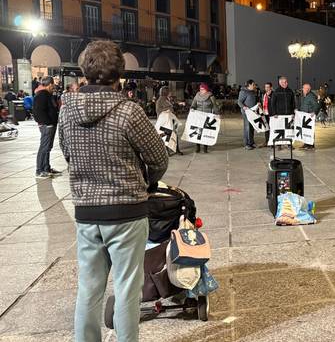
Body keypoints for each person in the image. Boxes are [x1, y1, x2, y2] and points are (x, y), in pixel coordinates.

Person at [58, 40, 168, 342]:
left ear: (85, 72)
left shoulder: (67, 110)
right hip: (126, 212)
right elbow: (158, 158)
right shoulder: (129, 111)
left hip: (86, 211)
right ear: (119, 73)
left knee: (89, 287)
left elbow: (66, 153)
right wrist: (145, 182)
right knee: (127, 287)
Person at [32, 76, 61, 179]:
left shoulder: (47, 94)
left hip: (50, 124)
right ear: (50, 84)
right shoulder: (42, 95)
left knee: (47, 147)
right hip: (47, 125)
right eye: (53, 84)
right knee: (44, 147)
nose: (54, 86)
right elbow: (38, 112)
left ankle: (46, 168)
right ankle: (39, 170)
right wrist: (47, 123)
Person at [189, 83, 219, 153]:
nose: (201, 90)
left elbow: (215, 105)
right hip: (198, 116)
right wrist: (192, 108)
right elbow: (193, 104)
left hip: (207, 115)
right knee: (198, 131)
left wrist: (217, 113)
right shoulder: (197, 95)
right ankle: (198, 147)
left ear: (206, 89)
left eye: (203, 89)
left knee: (206, 131)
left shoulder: (210, 95)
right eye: (200, 89)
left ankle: (205, 147)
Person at [237, 79, 258, 150]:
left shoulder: (253, 92)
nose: (254, 86)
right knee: (247, 127)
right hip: (246, 113)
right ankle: (247, 144)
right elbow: (239, 101)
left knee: (252, 127)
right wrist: (244, 107)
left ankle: (251, 142)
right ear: (249, 85)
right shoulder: (243, 92)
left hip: (253, 112)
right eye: (253, 84)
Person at [299, 83, 320, 150]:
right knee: (305, 130)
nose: (303, 89)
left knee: (310, 131)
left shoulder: (311, 96)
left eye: (304, 88)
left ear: (308, 89)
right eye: (303, 88)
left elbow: (317, 105)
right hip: (305, 116)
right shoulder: (305, 96)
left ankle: (311, 145)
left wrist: (314, 112)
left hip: (309, 117)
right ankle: (306, 144)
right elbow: (304, 106)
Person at [260, 82, 273, 147]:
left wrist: (269, 96)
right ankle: (267, 141)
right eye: (265, 87)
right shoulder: (264, 94)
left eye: (268, 87)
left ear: (271, 87)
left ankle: (271, 142)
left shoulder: (273, 94)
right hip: (264, 113)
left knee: (271, 128)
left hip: (271, 114)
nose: (266, 88)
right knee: (266, 128)